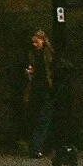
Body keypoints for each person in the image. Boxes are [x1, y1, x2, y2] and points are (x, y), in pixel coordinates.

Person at [23, 28, 60, 157]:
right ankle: (40, 146)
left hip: (46, 89)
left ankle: (38, 146)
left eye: (37, 41)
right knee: (41, 118)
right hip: (36, 89)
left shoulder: (48, 54)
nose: (35, 44)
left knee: (44, 118)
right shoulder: (32, 55)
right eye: (34, 42)